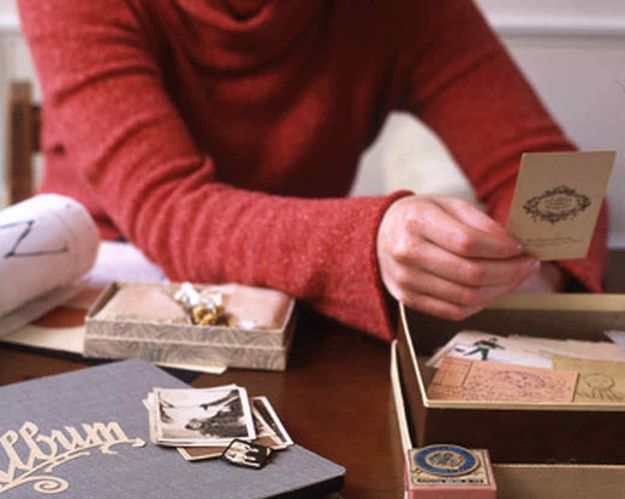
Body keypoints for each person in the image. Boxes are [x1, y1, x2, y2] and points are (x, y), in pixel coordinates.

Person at [18, 0, 607, 341]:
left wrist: (533, 271)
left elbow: (550, 169)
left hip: (298, 305)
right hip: (94, 298)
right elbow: (171, 211)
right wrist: (372, 240)